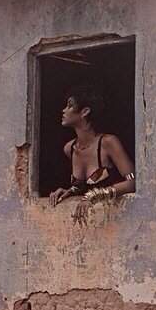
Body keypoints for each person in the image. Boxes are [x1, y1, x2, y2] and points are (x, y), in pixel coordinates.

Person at [49, 85, 135, 222]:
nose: (64, 110)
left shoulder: (108, 143)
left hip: (119, 221)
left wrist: (94, 195)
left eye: (70, 106)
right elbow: (86, 184)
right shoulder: (70, 148)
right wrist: (70, 191)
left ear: (85, 112)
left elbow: (132, 182)